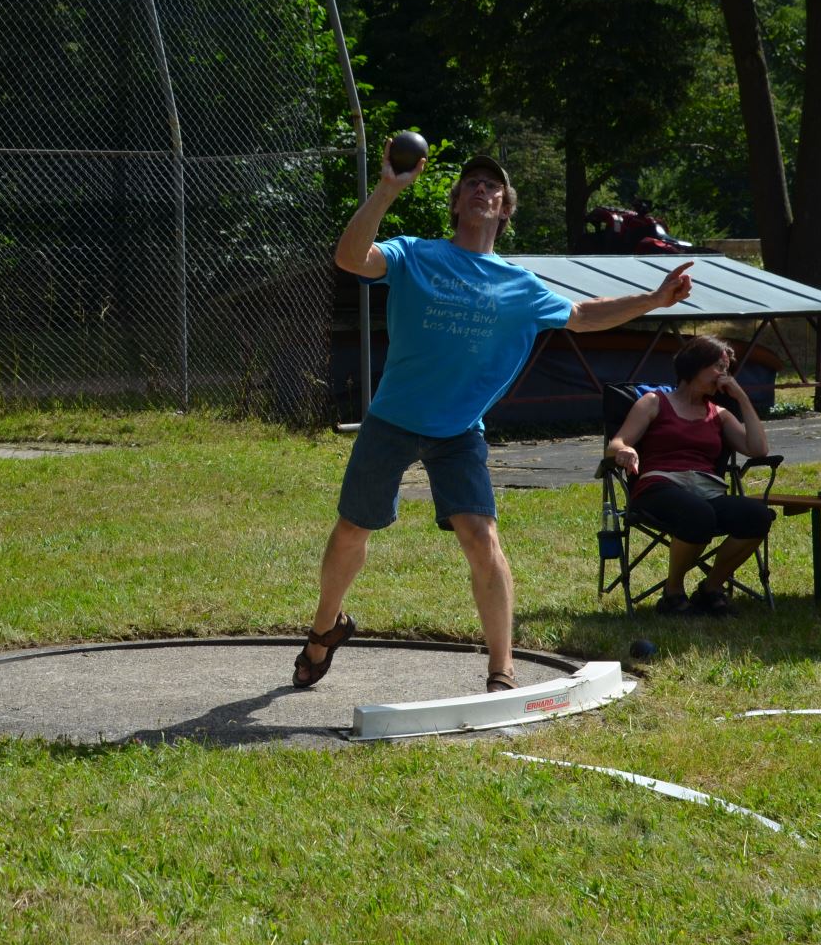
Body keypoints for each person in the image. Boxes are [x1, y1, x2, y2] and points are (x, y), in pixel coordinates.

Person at [294, 143, 692, 693]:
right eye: (472, 184)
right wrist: (388, 188)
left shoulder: (520, 287)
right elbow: (349, 257)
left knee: (482, 538)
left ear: (506, 208)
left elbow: (580, 316)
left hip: (459, 432)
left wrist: (653, 299)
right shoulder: (416, 254)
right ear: (456, 202)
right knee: (350, 530)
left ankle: (501, 671)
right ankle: (324, 628)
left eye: (493, 186)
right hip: (392, 419)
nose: (482, 189)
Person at [604, 335, 775, 615]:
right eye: (718, 367)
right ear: (695, 365)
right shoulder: (654, 402)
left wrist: (741, 397)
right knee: (699, 515)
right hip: (658, 486)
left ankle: (711, 588)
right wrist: (626, 451)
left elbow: (757, 449)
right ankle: (673, 592)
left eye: (727, 369)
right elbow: (617, 443)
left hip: (706, 490)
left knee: (757, 516)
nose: (724, 376)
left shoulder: (719, 414)